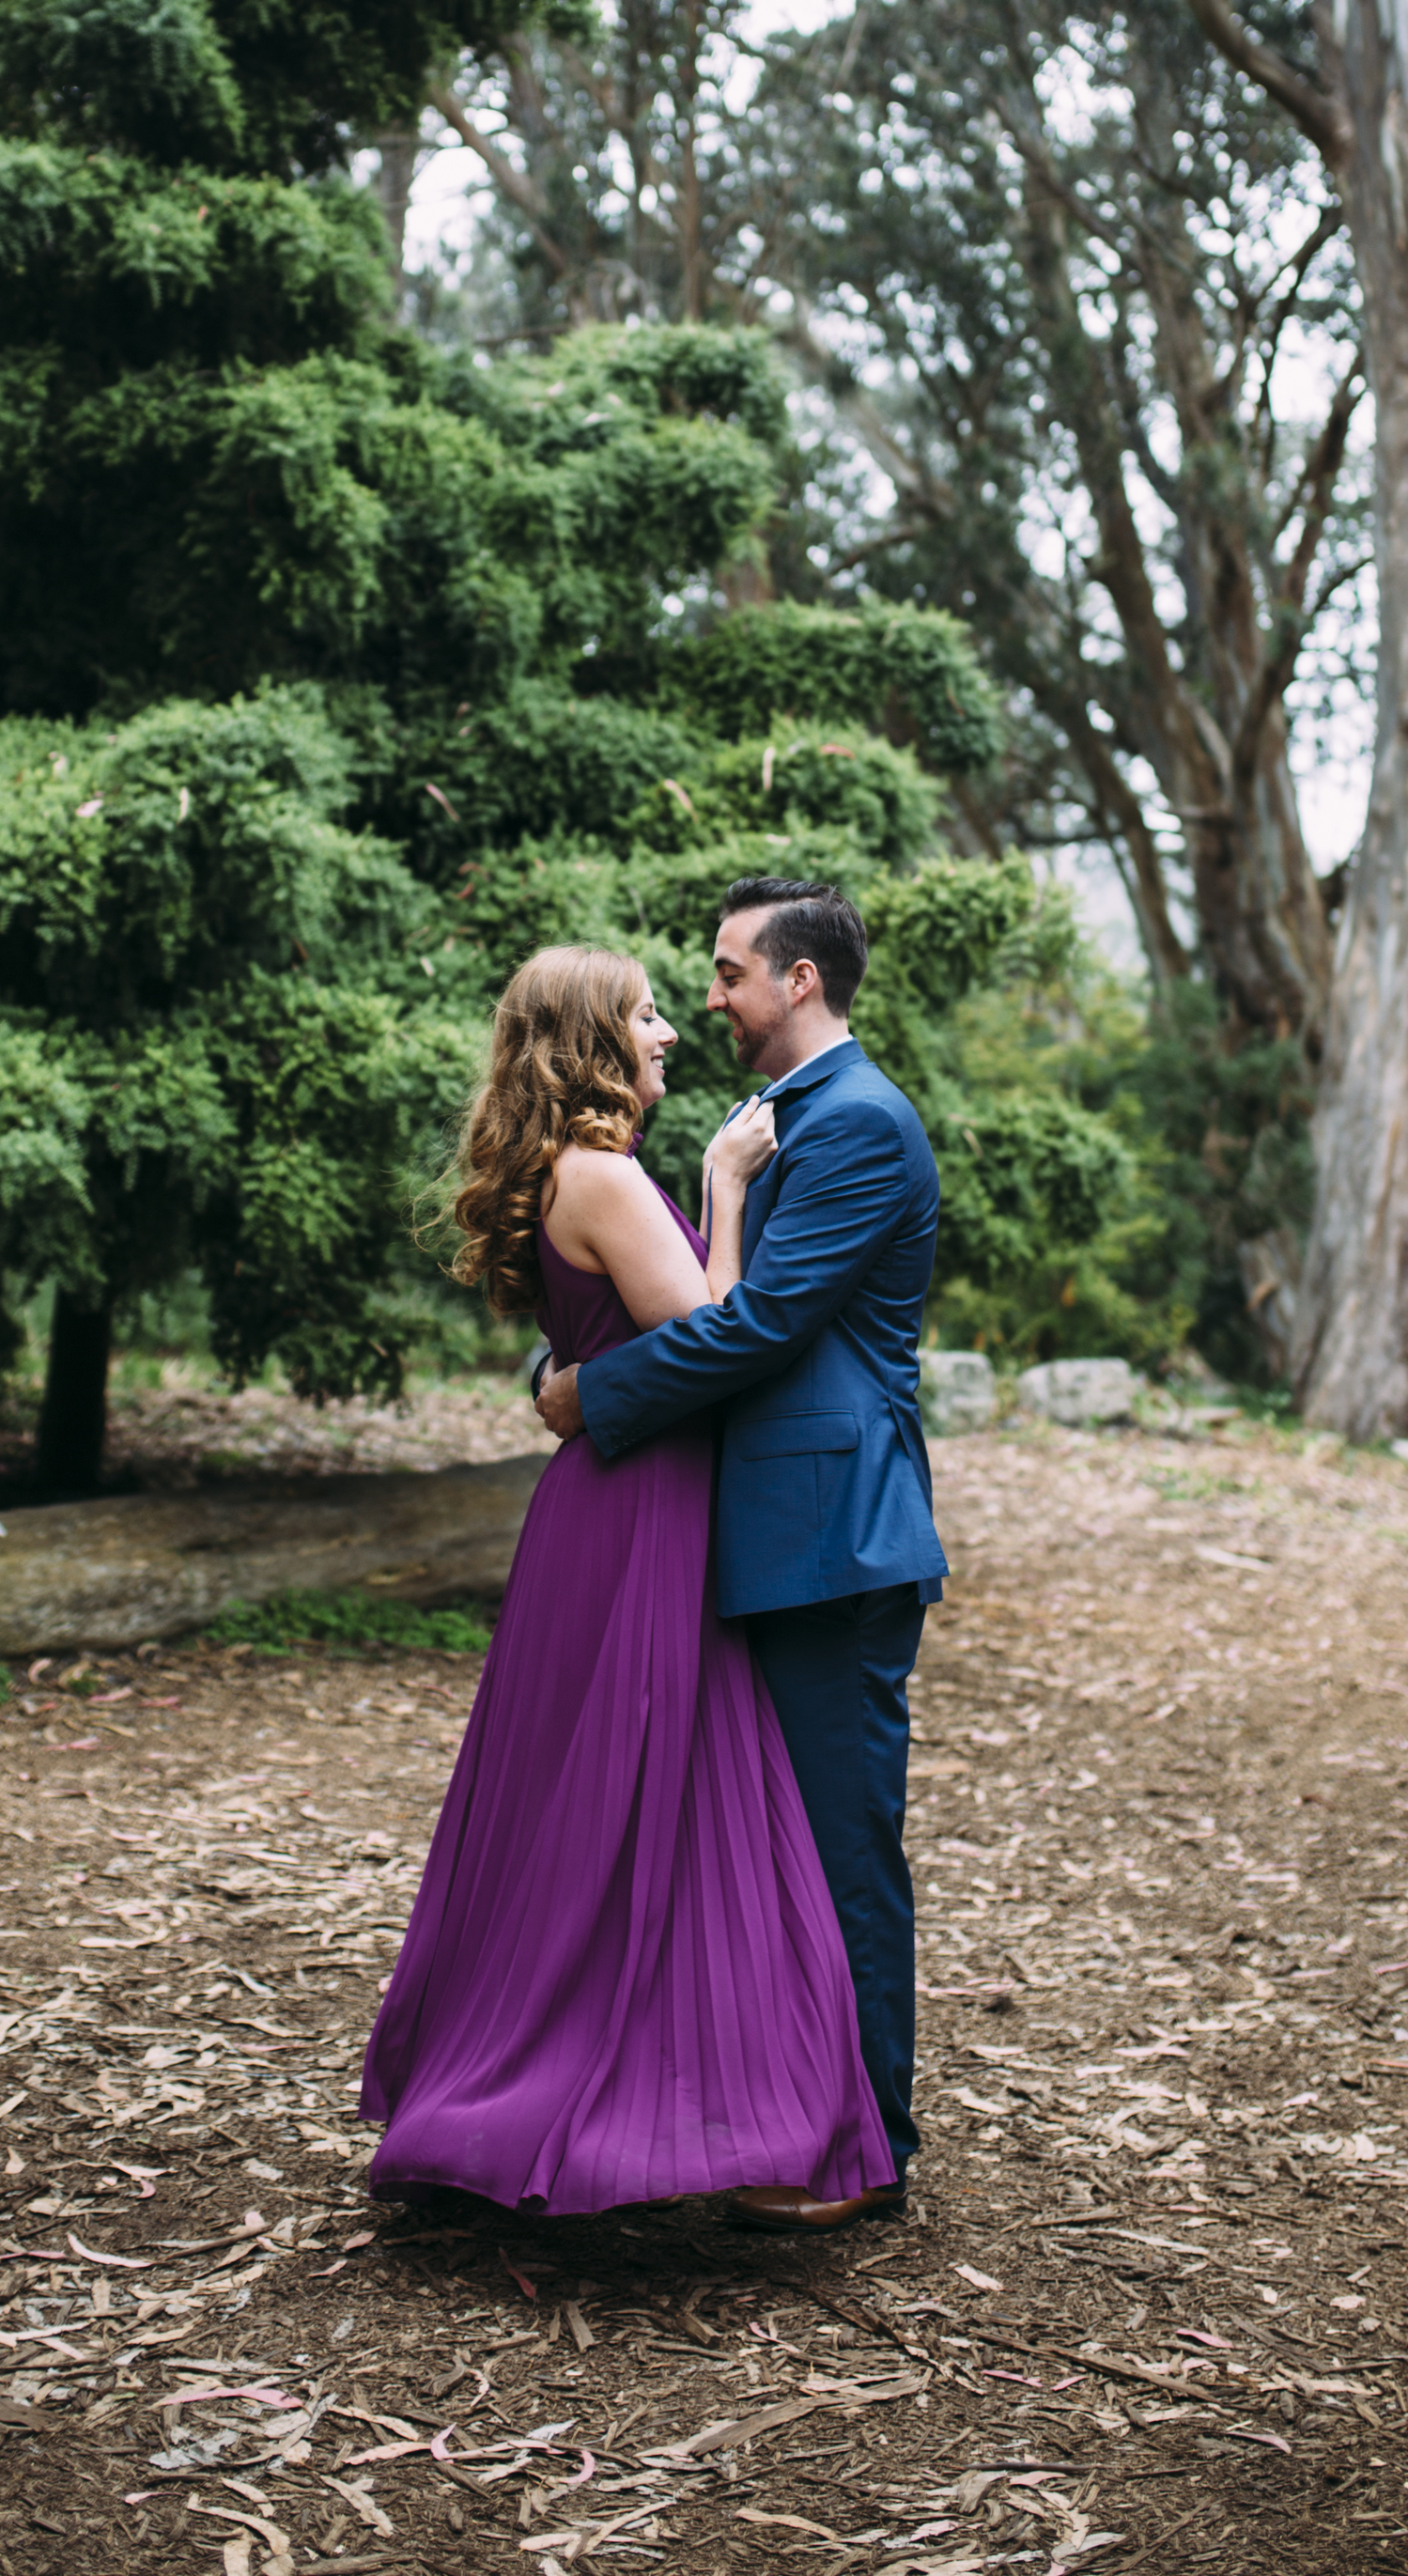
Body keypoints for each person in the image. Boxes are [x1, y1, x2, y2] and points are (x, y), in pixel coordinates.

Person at [359, 942, 897, 2217]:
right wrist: (721, 1182)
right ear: (592, 1042)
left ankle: (610, 2066)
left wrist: (574, 1379)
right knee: (636, 1799)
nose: (669, 1032)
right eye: (647, 1015)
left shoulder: (576, 1171)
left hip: (606, 1501)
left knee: (587, 1804)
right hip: (643, 1505)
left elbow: (591, 1341)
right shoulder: (602, 1174)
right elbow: (711, 1326)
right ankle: (609, 2098)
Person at [534, 876, 945, 2229]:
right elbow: (665, 1283)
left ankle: (868, 2143)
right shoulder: (766, 1122)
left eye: (726, 972)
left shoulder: (863, 1128)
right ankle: (772, 2115)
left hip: (832, 1537)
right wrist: (569, 1354)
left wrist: (589, 1398)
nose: (707, 996)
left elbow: (757, 1325)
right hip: (746, 1533)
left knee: (837, 1847)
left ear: (801, 981)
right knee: (753, 1851)